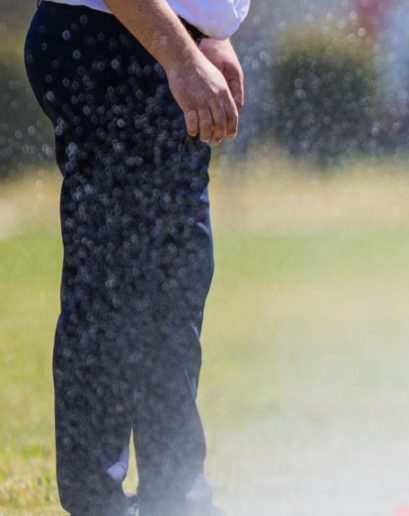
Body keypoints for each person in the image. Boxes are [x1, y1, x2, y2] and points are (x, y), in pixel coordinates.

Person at [24, 0, 247, 513]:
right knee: (112, 290)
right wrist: (182, 57)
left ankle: (176, 496)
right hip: (111, 39)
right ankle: (99, 502)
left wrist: (214, 35)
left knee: (174, 285)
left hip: (155, 39)